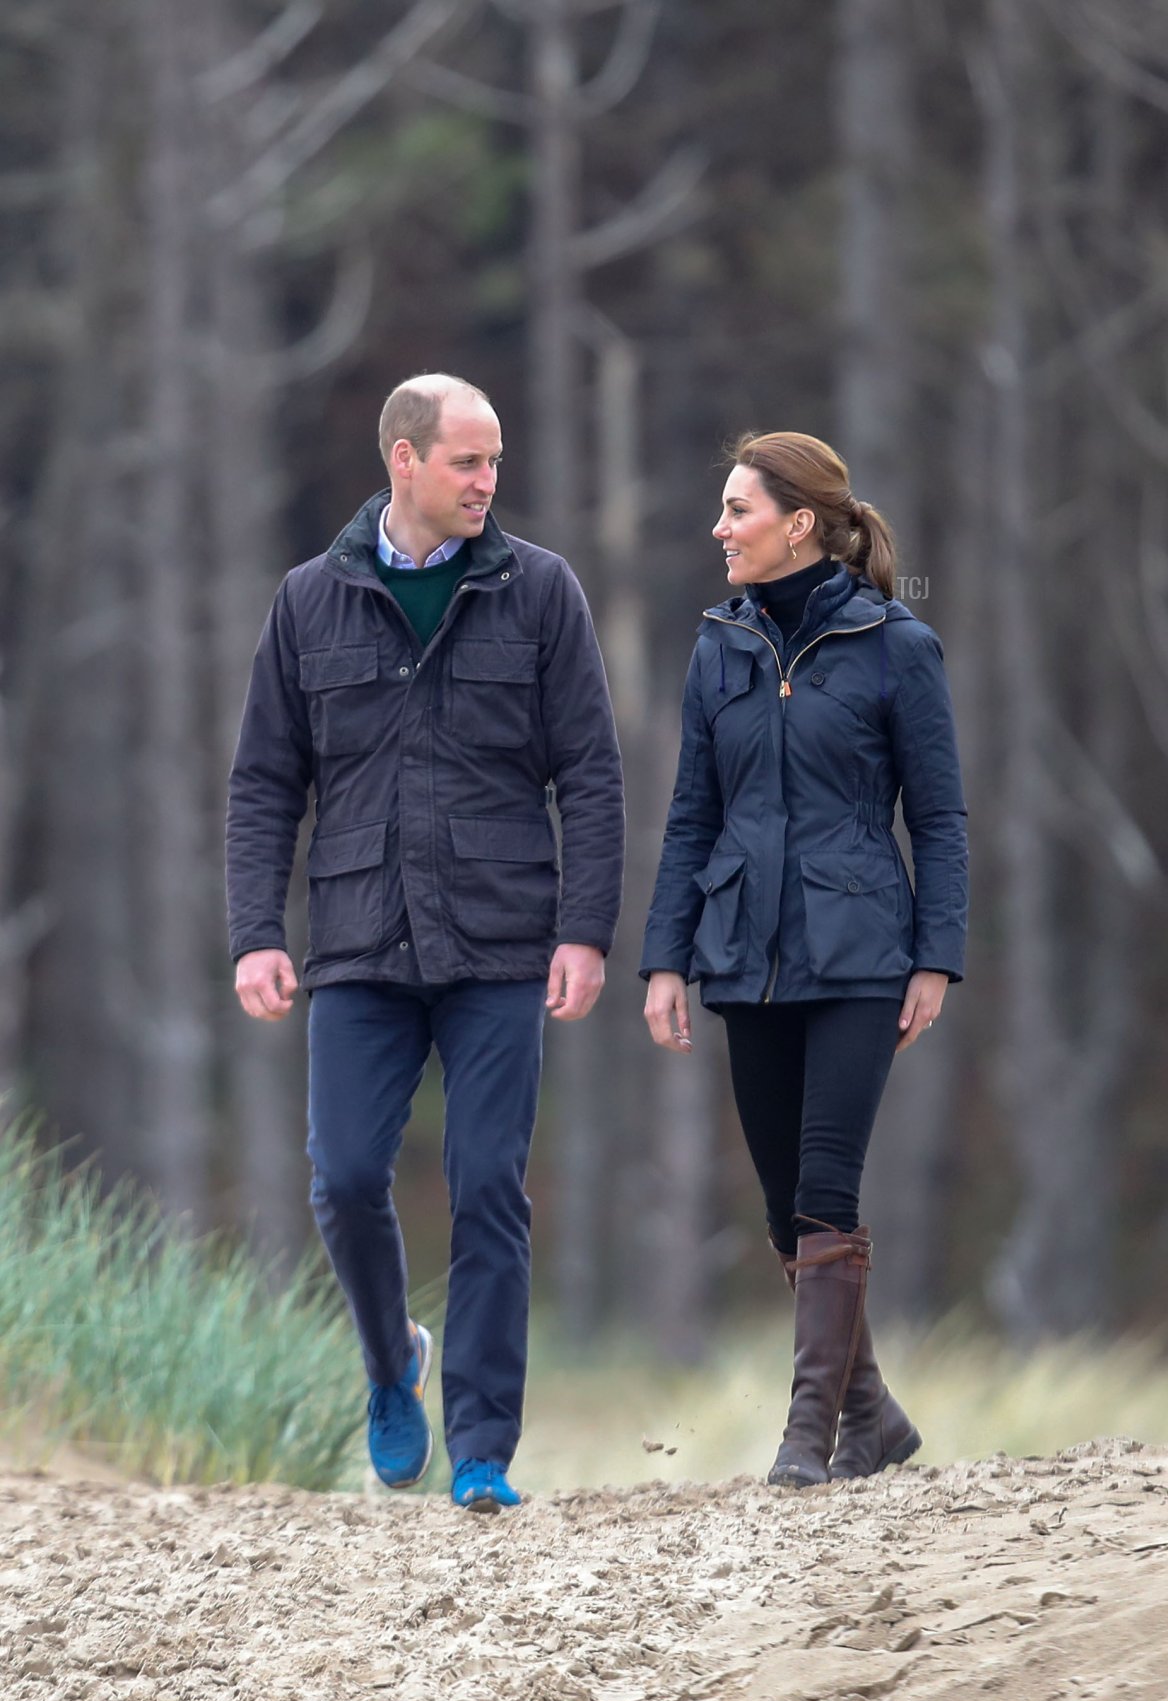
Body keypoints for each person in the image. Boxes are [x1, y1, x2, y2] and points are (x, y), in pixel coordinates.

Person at [227, 373, 624, 1513]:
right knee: (345, 1178)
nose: (489, 483)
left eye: (496, 463)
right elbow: (264, 782)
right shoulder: (309, 600)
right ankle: (390, 1361)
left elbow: (590, 773)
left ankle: (484, 1446)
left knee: (489, 1183)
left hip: (503, 940)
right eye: (468, 462)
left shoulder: (541, 591)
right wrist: (258, 934)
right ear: (404, 461)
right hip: (357, 940)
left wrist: (585, 931)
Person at [641, 431, 967, 1490]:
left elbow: (943, 818)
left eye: (738, 510)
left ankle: (807, 1434)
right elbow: (691, 818)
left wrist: (937, 956)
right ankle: (871, 1416)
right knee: (786, 1209)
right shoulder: (716, 648)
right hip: (746, 954)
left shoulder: (895, 644)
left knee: (828, 1188)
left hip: (864, 954)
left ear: (801, 524)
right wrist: (665, 960)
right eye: (723, 508)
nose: (719, 528)